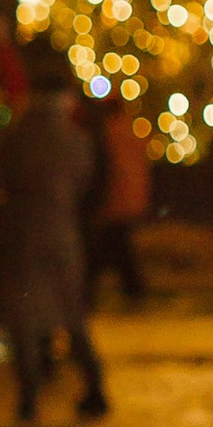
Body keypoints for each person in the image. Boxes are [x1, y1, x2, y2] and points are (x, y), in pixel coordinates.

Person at [0, 42, 108, 426]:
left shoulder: (17, 134)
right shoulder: (77, 139)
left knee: (25, 319)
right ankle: (94, 387)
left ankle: (29, 396)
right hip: (63, 231)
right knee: (71, 313)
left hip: (22, 233)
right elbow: (89, 182)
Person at [87, 83, 154, 310]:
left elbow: (107, 169)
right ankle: (132, 289)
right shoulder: (130, 129)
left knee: (112, 246)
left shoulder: (107, 133)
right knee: (117, 245)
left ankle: (130, 290)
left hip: (114, 201)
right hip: (130, 199)